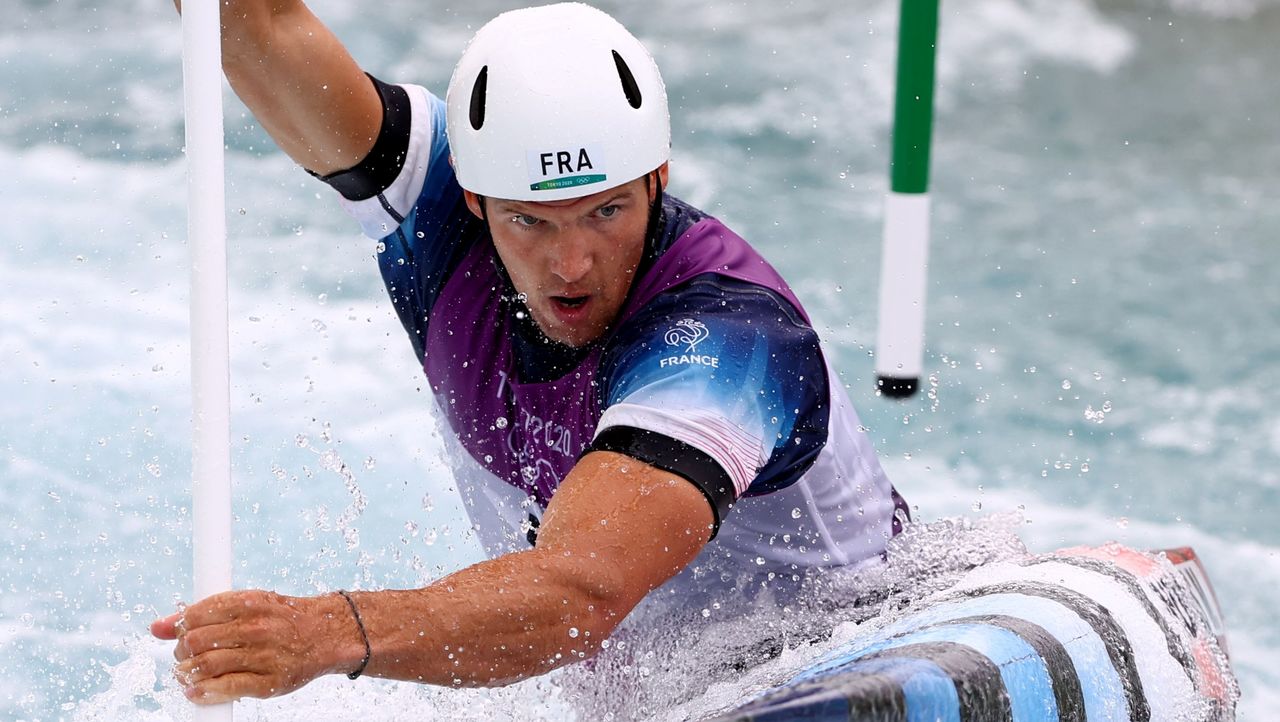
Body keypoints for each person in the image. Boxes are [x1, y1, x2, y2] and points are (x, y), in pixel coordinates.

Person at [151, 1, 908, 704]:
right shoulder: (437, 209)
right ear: (473, 198)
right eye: (529, 221)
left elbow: (580, 595)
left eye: (606, 211)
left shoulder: (725, 336)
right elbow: (256, 25)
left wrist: (326, 632)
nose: (571, 264)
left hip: (852, 661)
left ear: (657, 178)